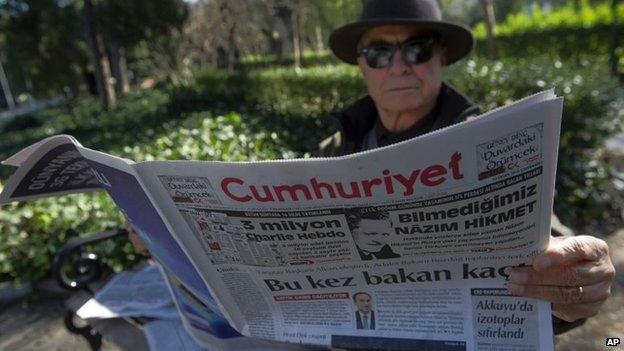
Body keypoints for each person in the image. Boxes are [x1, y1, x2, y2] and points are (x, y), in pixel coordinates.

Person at [321, 0, 615, 328]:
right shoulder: (334, 150)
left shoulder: (492, 142)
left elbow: (547, 235)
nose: (399, 66)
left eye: (418, 49)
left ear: (442, 55)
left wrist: (572, 278)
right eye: (378, 52)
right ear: (361, 63)